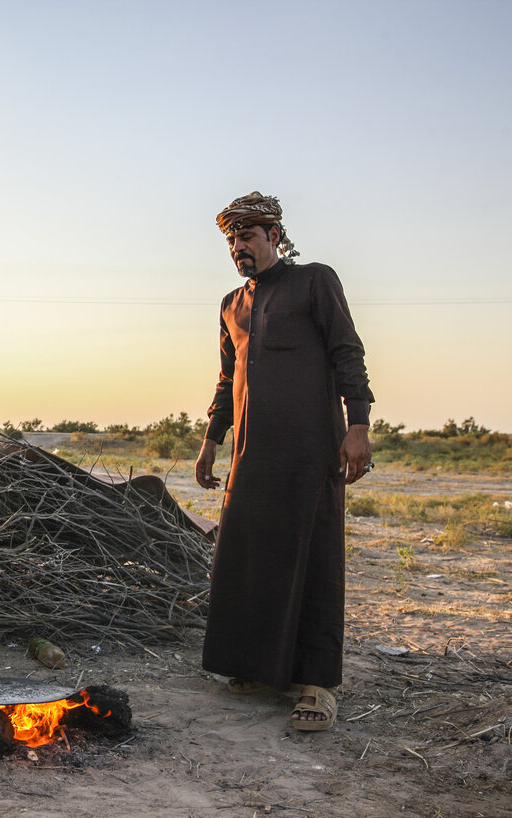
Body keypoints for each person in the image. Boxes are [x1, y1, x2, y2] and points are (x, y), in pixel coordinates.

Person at [195, 192, 374, 732]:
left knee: (313, 556)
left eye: (247, 236)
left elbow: (347, 350)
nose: (238, 247)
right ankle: (255, 667)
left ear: (274, 236)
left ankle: (317, 684)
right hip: (252, 453)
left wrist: (359, 424)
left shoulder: (314, 281)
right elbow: (227, 381)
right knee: (251, 556)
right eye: (231, 239)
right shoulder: (231, 303)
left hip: (311, 446)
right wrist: (211, 441)